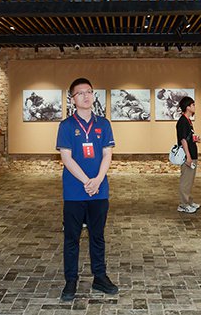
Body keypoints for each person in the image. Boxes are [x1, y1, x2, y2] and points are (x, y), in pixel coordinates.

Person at [56, 78, 118, 301]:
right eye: (80, 93)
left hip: (99, 191)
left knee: (97, 236)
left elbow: (107, 154)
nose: (85, 96)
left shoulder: (104, 124)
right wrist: (87, 182)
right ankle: (71, 280)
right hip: (74, 192)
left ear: (93, 95)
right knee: (71, 238)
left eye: (89, 92)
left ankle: (99, 277)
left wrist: (98, 180)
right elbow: (66, 158)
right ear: (73, 99)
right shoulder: (66, 126)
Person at [176, 96, 201, 214]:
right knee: (186, 180)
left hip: (192, 154)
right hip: (188, 156)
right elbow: (183, 140)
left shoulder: (188, 121)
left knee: (190, 180)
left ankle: (188, 201)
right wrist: (188, 156)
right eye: (193, 105)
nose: (194, 107)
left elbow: (188, 137)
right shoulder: (182, 122)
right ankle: (183, 204)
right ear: (188, 107)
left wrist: (195, 139)